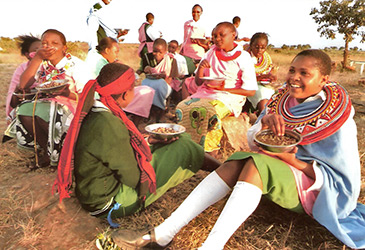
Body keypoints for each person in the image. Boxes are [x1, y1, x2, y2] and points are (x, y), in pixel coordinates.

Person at [110, 49, 365, 249]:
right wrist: (263, 121)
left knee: (255, 163)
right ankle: (164, 232)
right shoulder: (281, 101)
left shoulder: (337, 117)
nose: (294, 78)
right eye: (292, 70)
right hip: (280, 170)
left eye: (304, 73)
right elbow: (255, 141)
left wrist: (291, 159)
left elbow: (339, 177)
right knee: (238, 159)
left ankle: (211, 246)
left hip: (319, 189)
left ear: (324, 80)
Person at [53, 62, 221, 225]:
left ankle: (222, 171)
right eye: (134, 88)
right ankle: (223, 172)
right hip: (108, 202)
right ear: (126, 94)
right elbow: (133, 178)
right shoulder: (108, 123)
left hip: (92, 192)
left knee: (175, 140)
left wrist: (148, 141)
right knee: (182, 146)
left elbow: (111, 150)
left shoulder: (98, 112)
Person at [176, 22, 257, 154]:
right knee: (182, 107)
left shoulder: (243, 57)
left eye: (221, 35)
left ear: (233, 35)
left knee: (208, 111)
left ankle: (210, 151)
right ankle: (188, 146)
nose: (217, 39)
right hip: (205, 92)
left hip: (230, 97)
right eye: (214, 35)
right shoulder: (210, 53)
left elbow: (250, 91)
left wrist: (224, 90)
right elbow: (197, 82)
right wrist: (201, 69)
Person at [16, 29, 91, 168]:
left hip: (74, 106)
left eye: (54, 43)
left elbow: (88, 97)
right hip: (48, 103)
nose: (48, 47)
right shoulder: (42, 64)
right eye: (44, 43)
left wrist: (66, 93)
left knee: (49, 111)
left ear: (64, 48)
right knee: (25, 110)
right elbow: (23, 84)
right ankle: (49, 151)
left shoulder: (76, 65)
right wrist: (37, 58)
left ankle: (65, 154)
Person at [141, 38, 180, 122]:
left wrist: (164, 77)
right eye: (155, 51)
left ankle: (160, 112)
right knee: (145, 86)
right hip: (150, 81)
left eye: (160, 52)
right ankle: (153, 114)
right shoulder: (148, 58)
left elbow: (170, 79)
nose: (157, 54)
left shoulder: (171, 60)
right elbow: (142, 71)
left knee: (160, 86)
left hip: (165, 84)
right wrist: (146, 68)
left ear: (165, 51)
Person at [5, 35, 41, 124]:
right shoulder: (22, 69)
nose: (41, 52)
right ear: (27, 55)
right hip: (27, 104)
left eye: (42, 48)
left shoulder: (51, 66)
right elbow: (12, 94)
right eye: (36, 50)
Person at [244, 32, 278, 115]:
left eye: (262, 48)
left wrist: (271, 77)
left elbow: (268, 72)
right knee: (262, 95)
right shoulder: (244, 57)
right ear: (251, 45)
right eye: (256, 47)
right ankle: (263, 119)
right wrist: (264, 76)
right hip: (247, 86)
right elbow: (246, 79)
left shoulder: (266, 57)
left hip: (262, 85)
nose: (259, 50)